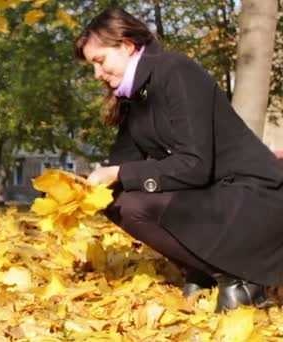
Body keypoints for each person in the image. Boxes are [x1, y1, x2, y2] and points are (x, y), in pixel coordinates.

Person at [75, 8, 283, 312]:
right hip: (216, 194)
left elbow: (193, 165)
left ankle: (239, 278)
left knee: (134, 203)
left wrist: (119, 173)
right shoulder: (134, 97)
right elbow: (122, 164)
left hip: (255, 198)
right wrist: (82, 188)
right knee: (113, 198)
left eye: (99, 61)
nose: (96, 73)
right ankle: (209, 270)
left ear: (126, 46)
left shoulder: (175, 71)